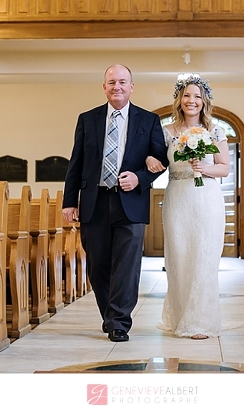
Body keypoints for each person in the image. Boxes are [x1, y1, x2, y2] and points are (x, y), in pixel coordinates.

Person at [62, 64, 168, 342]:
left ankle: (119, 322)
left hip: (131, 202)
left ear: (131, 87)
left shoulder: (148, 120)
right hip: (94, 201)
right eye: (111, 82)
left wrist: (139, 177)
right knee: (98, 265)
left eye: (122, 82)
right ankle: (109, 315)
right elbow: (76, 162)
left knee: (127, 266)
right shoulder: (88, 119)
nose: (117, 87)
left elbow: (161, 160)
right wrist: (69, 201)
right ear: (104, 87)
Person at [145, 74, 230, 339]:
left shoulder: (215, 130)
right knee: (179, 256)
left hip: (207, 199)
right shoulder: (167, 131)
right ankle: (180, 316)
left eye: (197, 96)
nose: (191, 101)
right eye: (187, 96)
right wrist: (148, 159)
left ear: (204, 101)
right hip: (178, 198)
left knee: (204, 257)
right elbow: (155, 159)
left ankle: (200, 321)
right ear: (179, 100)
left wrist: (204, 168)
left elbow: (224, 168)